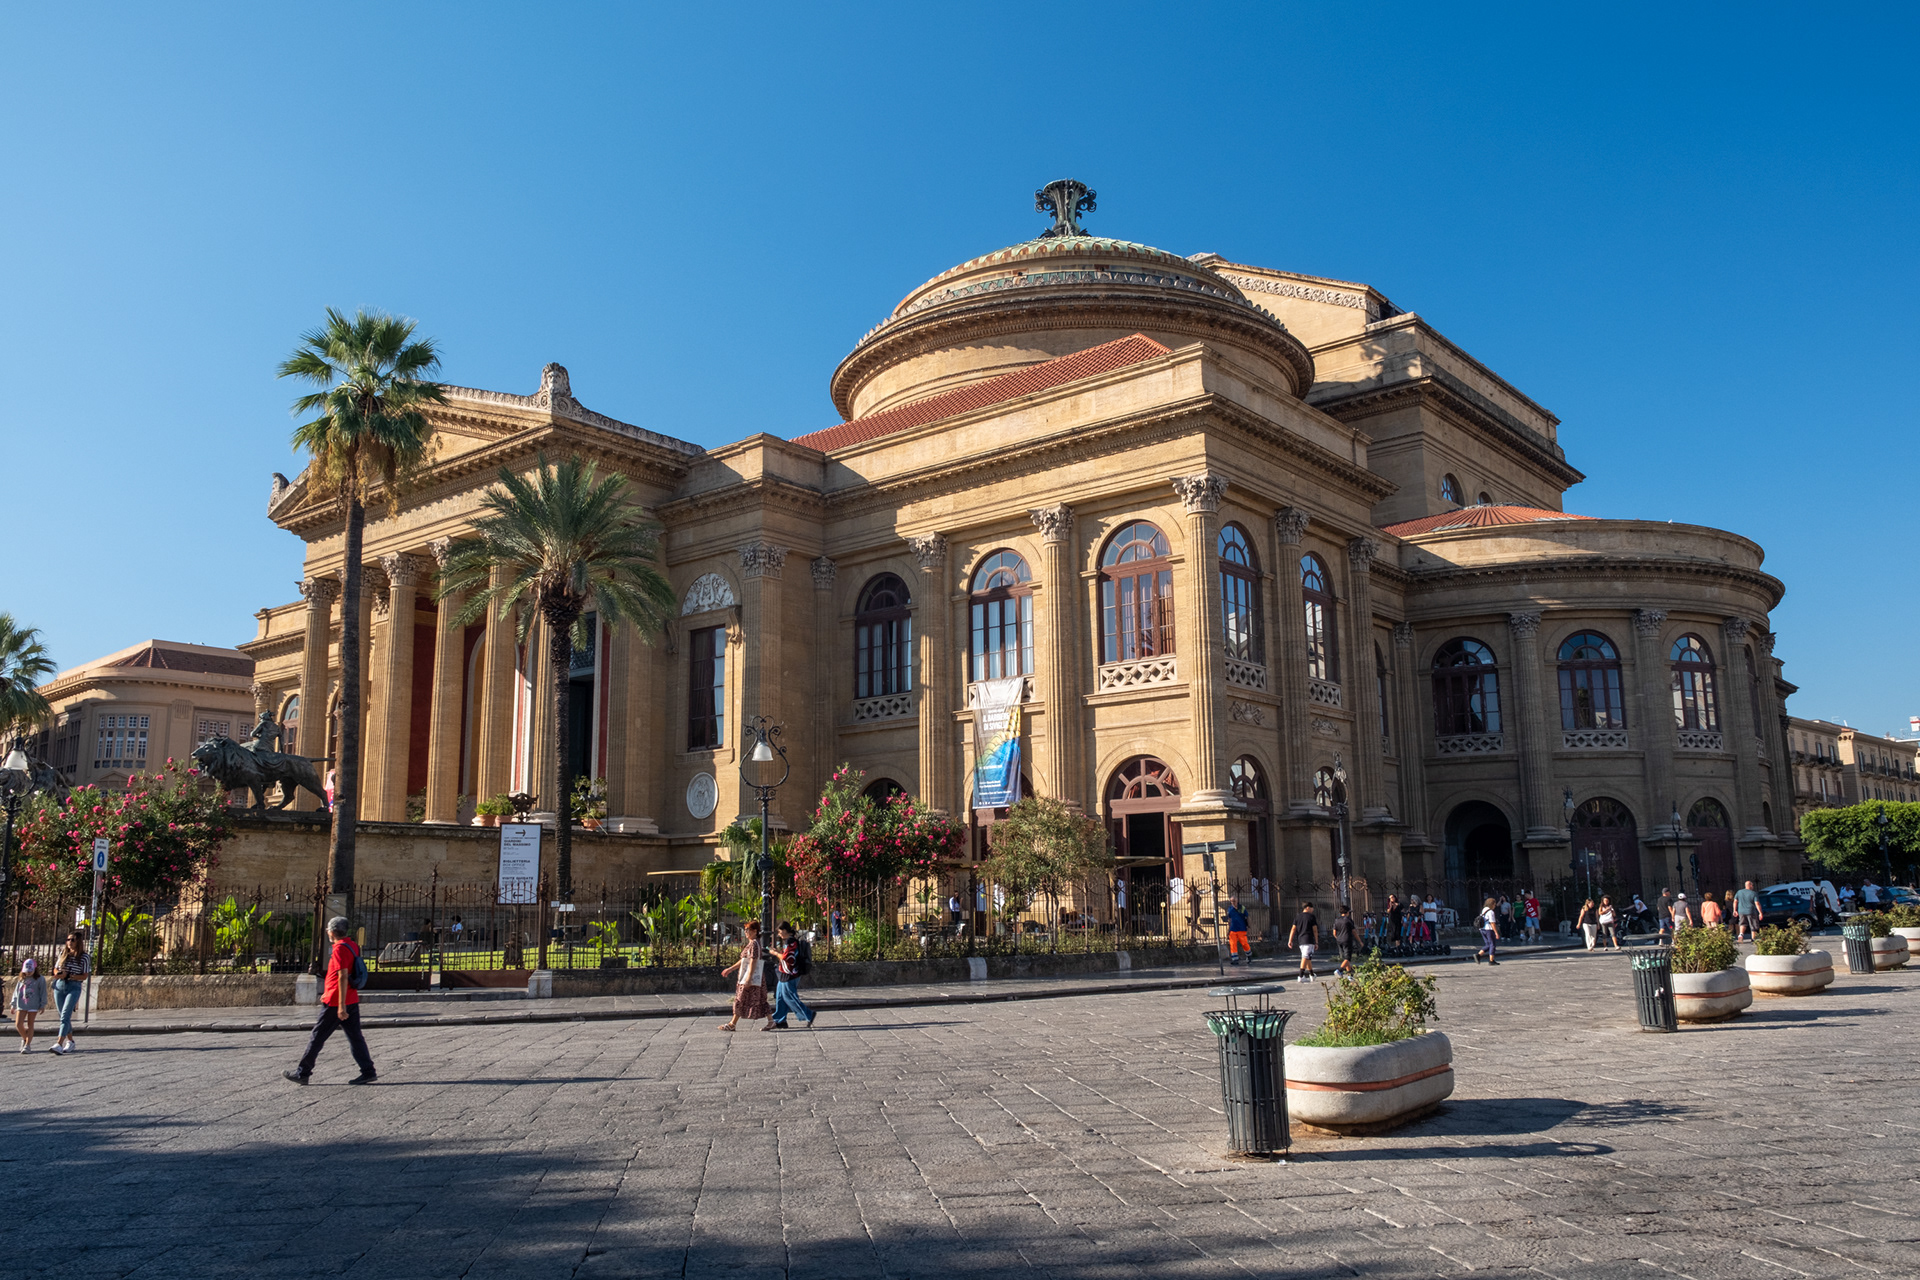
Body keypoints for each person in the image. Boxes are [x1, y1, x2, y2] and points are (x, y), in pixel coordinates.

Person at [286, 916, 377, 1085]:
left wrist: (340, 1007)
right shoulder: (353, 946)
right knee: (355, 1037)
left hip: (337, 1002)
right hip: (350, 998)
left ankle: (303, 1072)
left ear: (333, 932)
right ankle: (368, 1071)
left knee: (317, 1036)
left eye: (328, 929)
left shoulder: (340, 949)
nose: (327, 932)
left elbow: (342, 976)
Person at [719, 919, 773, 1031]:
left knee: (741, 998)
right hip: (754, 977)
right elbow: (744, 960)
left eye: (747, 930)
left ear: (754, 931)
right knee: (760, 999)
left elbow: (753, 961)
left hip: (750, 977)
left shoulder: (754, 944)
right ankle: (771, 1021)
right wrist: (731, 969)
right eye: (745, 930)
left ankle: (732, 1024)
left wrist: (748, 978)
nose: (745, 932)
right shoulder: (754, 943)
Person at [768, 921, 817, 1030]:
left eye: (780, 932)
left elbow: (788, 958)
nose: (779, 934)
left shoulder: (790, 942)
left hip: (790, 974)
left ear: (785, 931)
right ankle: (780, 1020)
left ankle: (808, 1014)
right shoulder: (788, 941)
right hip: (784, 973)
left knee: (789, 997)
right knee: (780, 996)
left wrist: (775, 953)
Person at [49, 930, 90, 1055]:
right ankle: (70, 1041)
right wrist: (58, 974)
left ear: (78, 942)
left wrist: (70, 976)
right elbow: (56, 968)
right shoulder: (63, 953)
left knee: (66, 1015)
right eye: (68, 940)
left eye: (72, 940)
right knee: (62, 1015)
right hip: (59, 986)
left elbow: (84, 976)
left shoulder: (84, 957)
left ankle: (59, 1043)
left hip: (73, 986)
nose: (69, 942)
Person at [9, 958, 47, 1053]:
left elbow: (43, 992)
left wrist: (42, 1004)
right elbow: (16, 992)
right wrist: (13, 1004)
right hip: (22, 1004)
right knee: (18, 1024)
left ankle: (27, 1045)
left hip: (33, 1004)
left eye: (30, 971)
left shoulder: (40, 979)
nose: (28, 973)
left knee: (30, 1024)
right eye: (27, 971)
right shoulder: (22, 979)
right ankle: (25, 1038)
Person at [1288, 902, 1319, 983]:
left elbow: (1293, 929)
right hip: (1309, 939)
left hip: (1300, 940)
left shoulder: (1297, 916)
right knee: (1305, 957)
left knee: (1307, 957)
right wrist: (1316, 942)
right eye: (1312, 908)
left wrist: (1290, 940)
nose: (1313, 909)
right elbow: (1315, 930)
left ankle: (1312, 975)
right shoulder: (1311, 917)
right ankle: (1301, 976)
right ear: (1308, 907)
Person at [1331, 903, 1358, 974]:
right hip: (1347, 940)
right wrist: (1360, 941)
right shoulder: (1348, 920)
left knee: (1345, 958)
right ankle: (1339, 970)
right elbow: (1354, 931)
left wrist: (1338, 938)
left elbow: (1334, 933)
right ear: (1347, 912)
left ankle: (1350, 975)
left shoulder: (1336, 920)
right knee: (1348, 958)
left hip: (1339, 940)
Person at [1224, 895, 1251, 967]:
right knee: (1233, 944)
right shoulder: (1229, 909)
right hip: (1232, 929)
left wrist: (1249, 926)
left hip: (1241, 929)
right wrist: (1228, 930)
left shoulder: (1242, 908)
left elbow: (1247, 916)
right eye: (1231, 901)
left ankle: (1249, 955)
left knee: (1244, 943)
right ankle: (1235, 959)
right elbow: (1229, 920)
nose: (1233, 903)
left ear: (1237, 901)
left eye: (1234, 901)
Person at [1475, 897, 1501, 965]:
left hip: (1482, 929)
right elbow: (1492, 923)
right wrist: (1496, 932)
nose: (1495, 906)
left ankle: (1478, 955)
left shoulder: (1484, 910)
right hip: (1488, 929)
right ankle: (1491, 960)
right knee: (1492, 944)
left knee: (1488, 944)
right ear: (1492, 904)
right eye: (1494, 905)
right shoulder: (1491, 912)